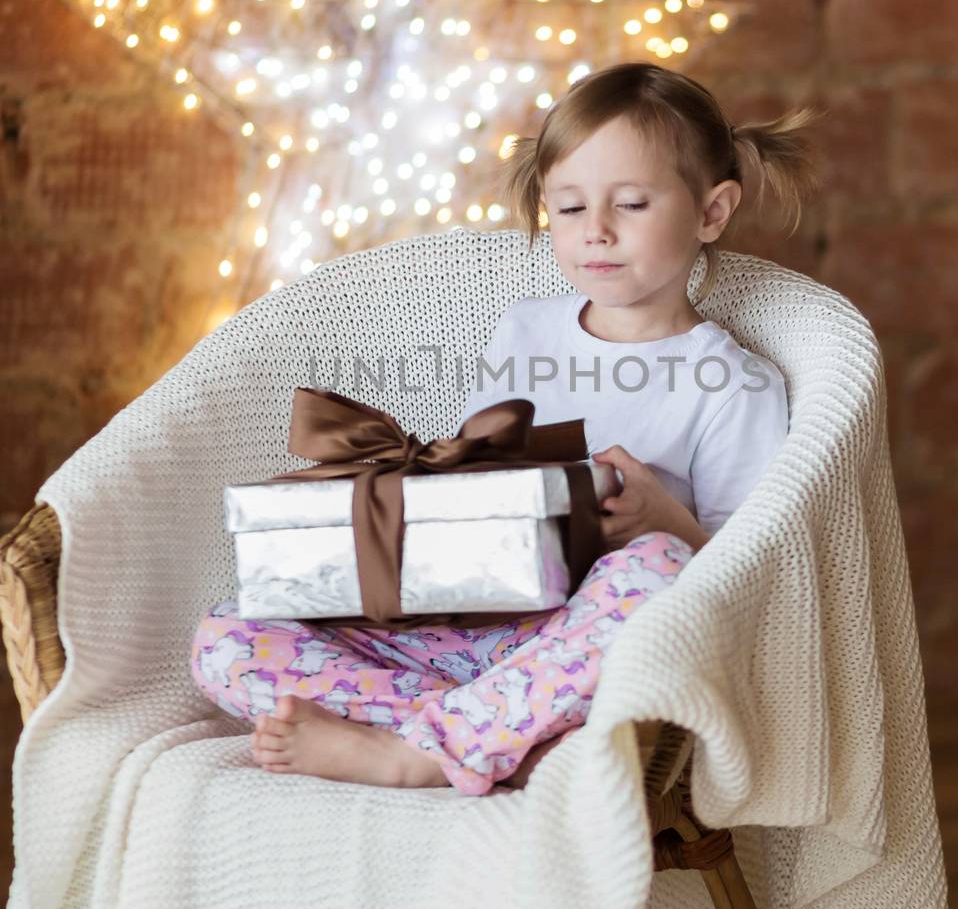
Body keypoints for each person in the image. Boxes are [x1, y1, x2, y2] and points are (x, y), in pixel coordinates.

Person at [190, 61, 821, 796]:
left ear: (711, 212)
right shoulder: (526, 331)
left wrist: (667, 520)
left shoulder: (732, 382)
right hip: (470, 628)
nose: (599, 232)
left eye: (632, 204)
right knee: (227, 635)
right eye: (572, 208)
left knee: (652, 567)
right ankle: (495, 734)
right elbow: (476, 491)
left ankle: (423, 754)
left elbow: (751, 581)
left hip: (583, 644)